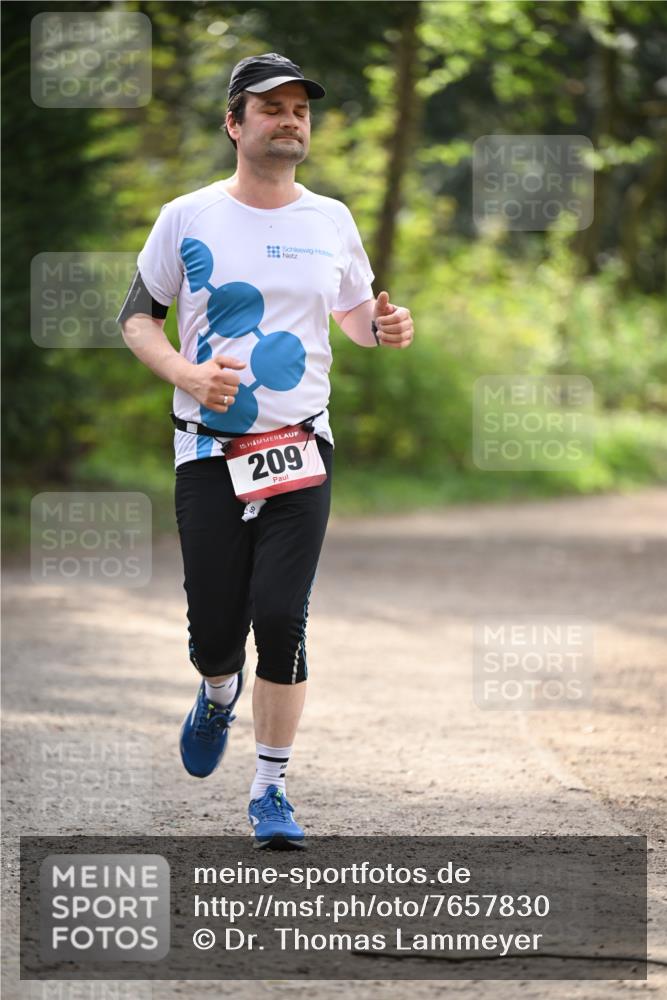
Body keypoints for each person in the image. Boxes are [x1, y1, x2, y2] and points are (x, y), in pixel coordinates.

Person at [118, 52, 414, 848]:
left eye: (300, 109)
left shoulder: (331, 219)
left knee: (281, 616)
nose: (290, 120)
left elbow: (354, 316)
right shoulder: (188, 216)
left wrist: (384, 327)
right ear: (233, 124)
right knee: (215, 629)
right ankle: (218, 691)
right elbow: (137, 317)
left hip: (301, 446)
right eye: (271, 108)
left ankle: (270, 789)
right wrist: (186, 373)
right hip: (209, 449)